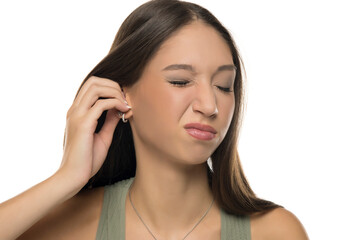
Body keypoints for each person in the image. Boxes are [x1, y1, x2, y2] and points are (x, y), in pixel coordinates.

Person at [0, 0, 309, 239]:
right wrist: (66, 179)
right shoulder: (70, 226)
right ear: (124, 95)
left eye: (224, 86)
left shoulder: (274, 231)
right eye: (180, 81)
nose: (210, 105)